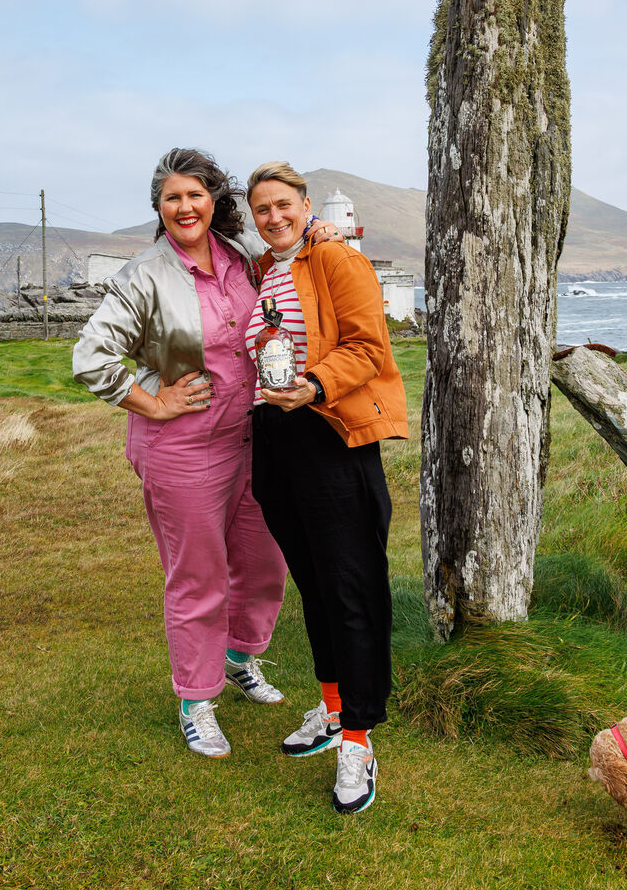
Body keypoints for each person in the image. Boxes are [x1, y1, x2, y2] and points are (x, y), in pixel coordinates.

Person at [72, 148, 343, 759]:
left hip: (256, 437)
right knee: (198, 576)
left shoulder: (244, 257)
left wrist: (320, 230)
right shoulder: (143, 275)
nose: (185, 206)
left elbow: (293, 256)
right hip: (182, 446)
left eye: (195, 195)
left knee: (265, 562)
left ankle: (241, 657)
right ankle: (197, 700)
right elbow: (90, 358)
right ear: (159, 208)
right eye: (172, 197)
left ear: (214, 201)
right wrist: (153, 400)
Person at [244, 161, 409, 814]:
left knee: (351, 587)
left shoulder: (337, 260)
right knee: (314, 584)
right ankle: (334, 711)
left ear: (307, 204)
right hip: (276, 439)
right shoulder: (266, 271)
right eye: (262, 210)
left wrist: (311, 386)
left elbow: (370, 347)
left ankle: (360, 742)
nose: (274, 217)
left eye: (283, 204)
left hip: (331, 435)